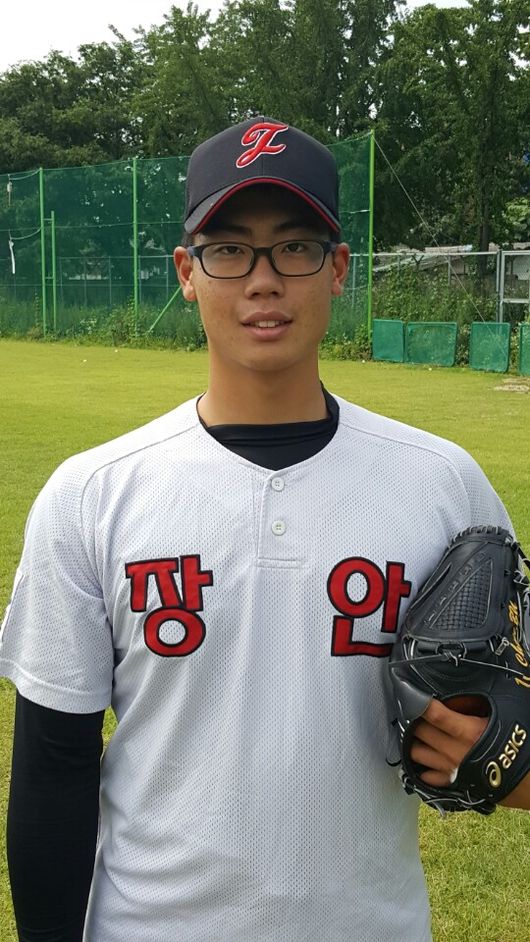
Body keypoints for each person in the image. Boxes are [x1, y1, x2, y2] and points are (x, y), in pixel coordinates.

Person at [1, 116, 528, 942]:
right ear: (187, 272)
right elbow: (53, 765)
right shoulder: (91, 495)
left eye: (294, 247)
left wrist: (510, 760)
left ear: (338, 268)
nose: (263, 280)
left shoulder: (441, 483)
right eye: (229, 249)